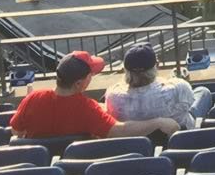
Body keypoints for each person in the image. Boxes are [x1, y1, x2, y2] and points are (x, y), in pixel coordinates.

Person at [10, 51, 180, 140]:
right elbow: (119, 131)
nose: (92, 78)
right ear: (78, 83)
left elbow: (16, 130)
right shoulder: (86, 109)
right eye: (90, 75)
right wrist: (158, 122)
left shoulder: (33, 98)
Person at [104, 45, 214, 132]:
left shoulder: (112, 95)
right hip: (180, 137)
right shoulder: (179, 87)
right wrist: (176, 79)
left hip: (136, 147)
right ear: (156, 66)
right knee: (203, 92)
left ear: (125, 70)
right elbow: (188, 101)